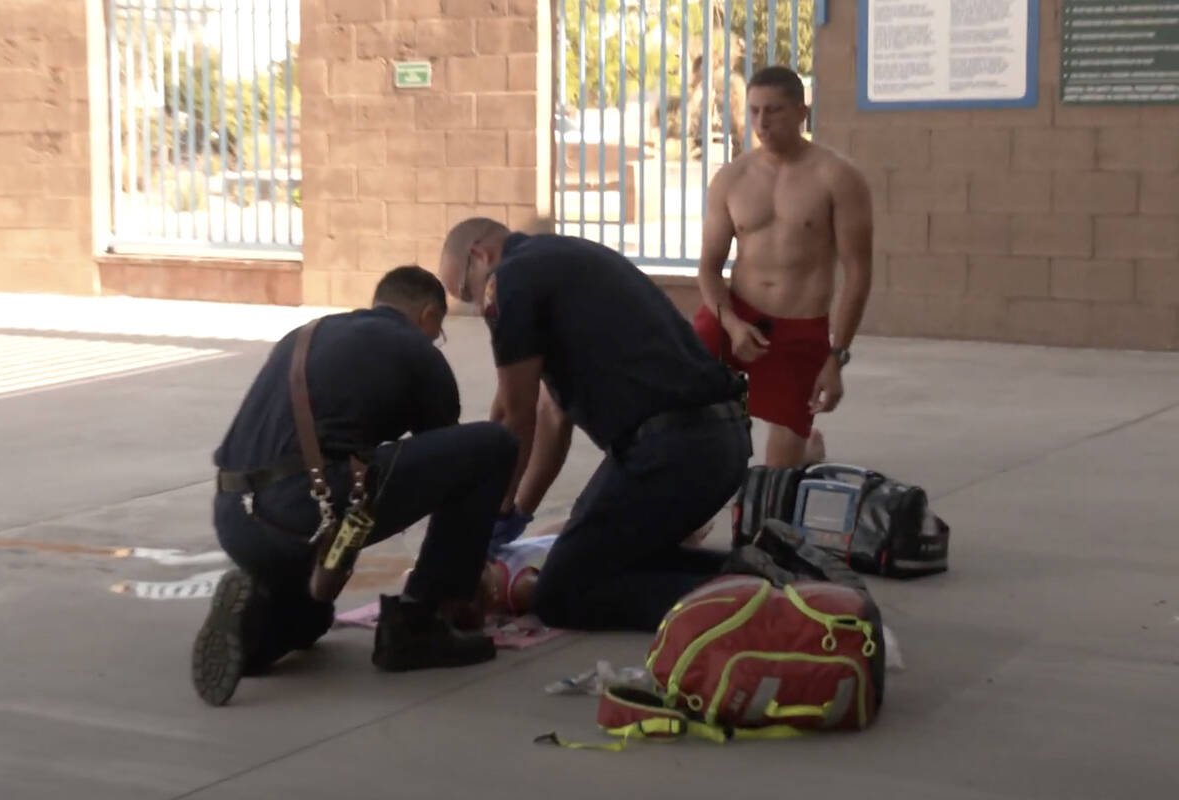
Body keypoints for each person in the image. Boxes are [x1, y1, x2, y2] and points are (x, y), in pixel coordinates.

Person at [191, 266, 518, 706]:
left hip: (233, 515)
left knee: (312, 619)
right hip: (304, 511)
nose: (435, 340)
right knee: (491, 447)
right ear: (426, 316)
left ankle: (252, 631)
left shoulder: (304, 334)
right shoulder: (416, 353)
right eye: (437, 331)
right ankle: (419, 624)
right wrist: (465, 574)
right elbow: (450, 472)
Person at [438, 219, 753, 633]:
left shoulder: (510, 280)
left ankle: (750, 612)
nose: (479, 308)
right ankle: (755, 577)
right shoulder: (560, 260)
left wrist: (487, 520)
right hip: (716, 443)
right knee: (617, 558)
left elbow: (516, 419)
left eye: (467, 292)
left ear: (480, 256)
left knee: (563, 594)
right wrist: (516, 516)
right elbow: (551, 418)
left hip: (669, 453)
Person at [692, 64, 874, 468]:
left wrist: (837, 357)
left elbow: (858, 274)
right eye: (754, 111)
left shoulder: (838, 178)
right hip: (735, 315)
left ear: (801, 112)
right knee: (674, 398)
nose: (761, 122)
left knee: (776, 478)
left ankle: (805, 447)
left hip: (798, 325)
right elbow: (708, 269)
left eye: (774, 111)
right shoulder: (732, 179)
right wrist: (733, 324)